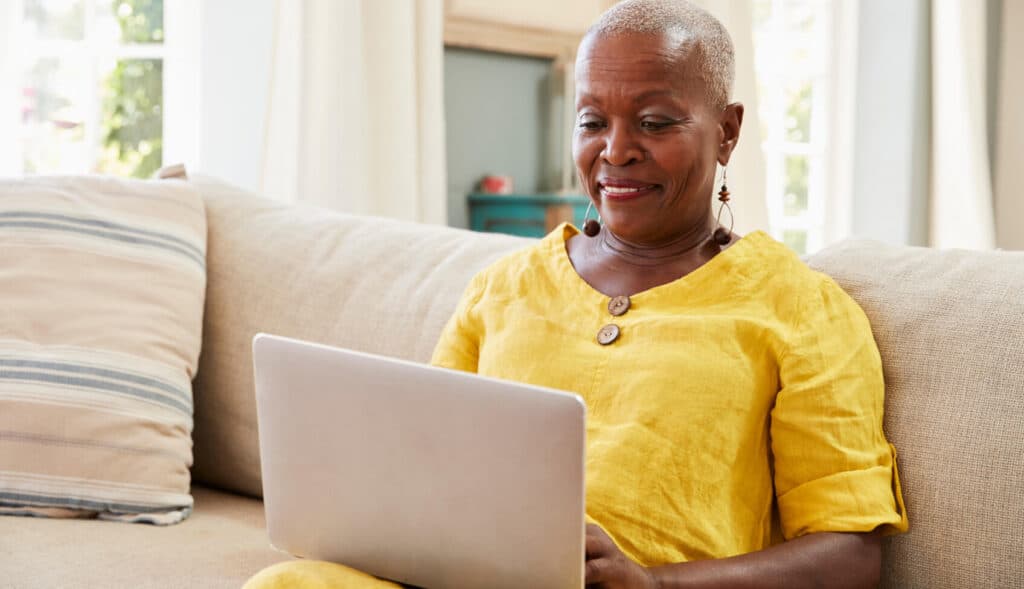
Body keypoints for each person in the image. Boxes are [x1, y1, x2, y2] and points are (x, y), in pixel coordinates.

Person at [246, 1, 907, 587]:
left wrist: (654, 583)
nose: (616, 151)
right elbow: (424, 469)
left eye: (654, 122)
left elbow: (848, 554)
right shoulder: (504, 287)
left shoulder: (801, 308)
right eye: (593, 122)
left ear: (727, 130)